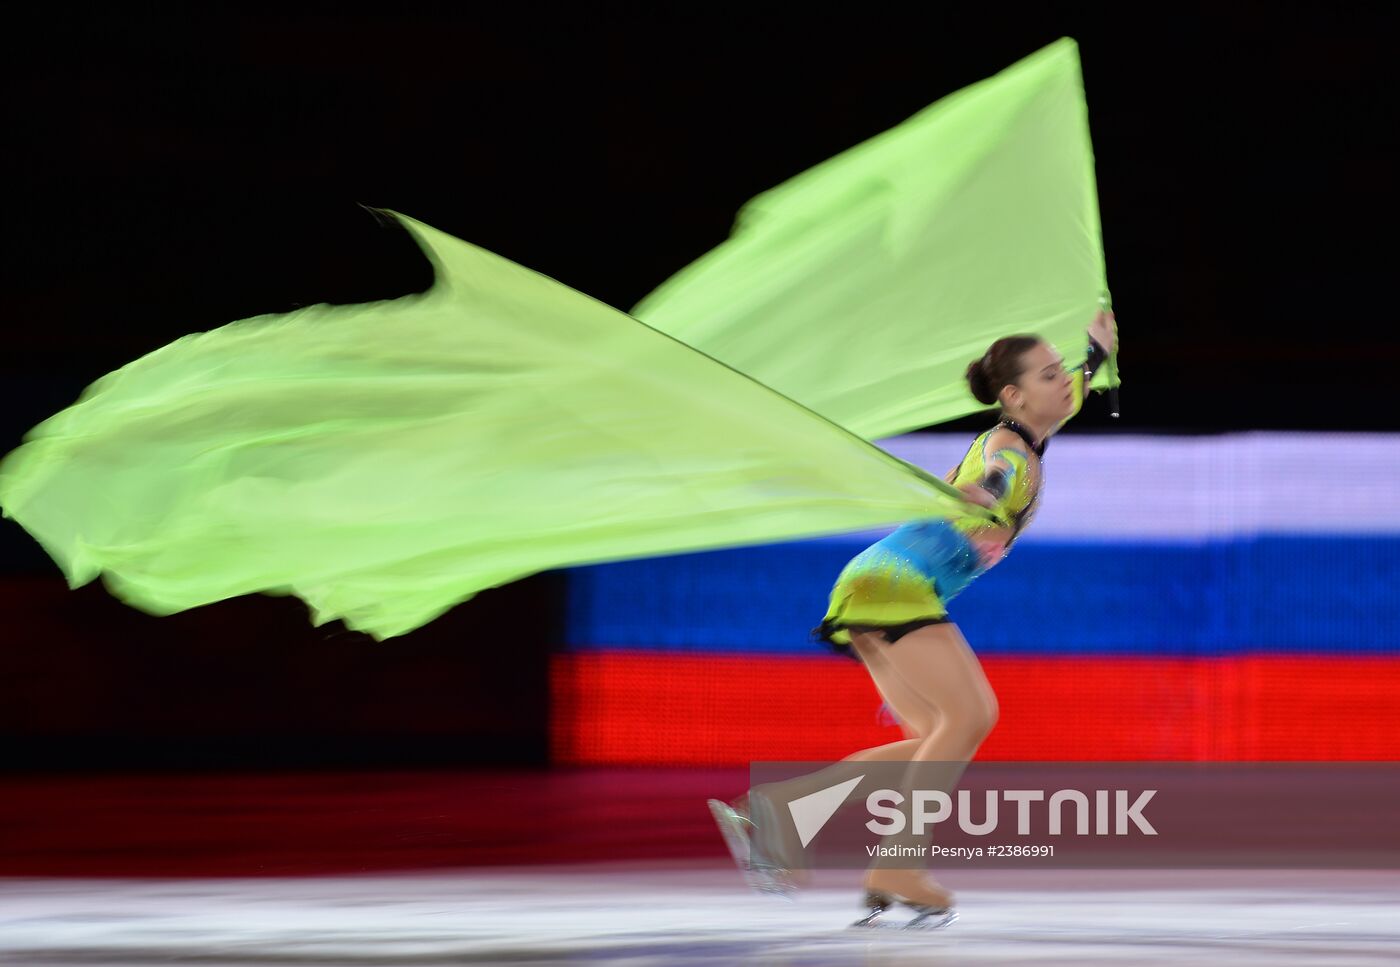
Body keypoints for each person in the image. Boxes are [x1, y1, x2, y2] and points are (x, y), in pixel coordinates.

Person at [709, 308, 1117, 929]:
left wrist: (1094, 354)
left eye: (1062, 372)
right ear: (1012, 396)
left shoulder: (1033, 433)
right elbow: (994, 473)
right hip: (896, 585)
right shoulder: (1007, 448)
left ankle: (782, 810)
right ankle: (898, 864)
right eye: (1048, 375)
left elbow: (1074, 396)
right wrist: (978, 488)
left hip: (876, 583)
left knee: (934, 736)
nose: (1063, 382)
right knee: (971, 715)